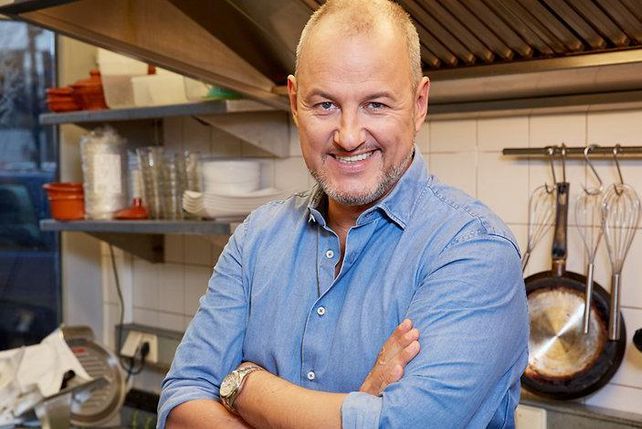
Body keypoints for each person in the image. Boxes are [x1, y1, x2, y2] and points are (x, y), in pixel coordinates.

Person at [158, 0, 529, 427]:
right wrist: (360, 405)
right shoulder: (256, 238)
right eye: (325, 105)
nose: (348, 136)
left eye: (376, 104)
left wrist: (244, 385)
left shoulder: (473, 251)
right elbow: (180, 405)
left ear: (419, 103)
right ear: (294, 102)